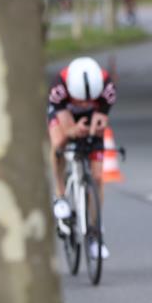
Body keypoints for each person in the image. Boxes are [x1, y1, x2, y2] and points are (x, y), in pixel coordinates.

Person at [48, 56, 116, 259]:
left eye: (88, 99)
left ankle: (95, 233)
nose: (84, 103)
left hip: (91, 116)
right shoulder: (58, 88)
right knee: (59, 143)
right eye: (81, 100)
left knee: (97, 177)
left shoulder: (107, 87)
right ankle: (60, 195)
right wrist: (72, 131)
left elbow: (101, 118)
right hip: (64, 115)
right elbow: (66, 128)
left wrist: (96, 128)